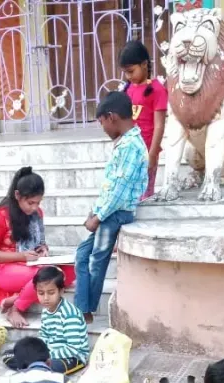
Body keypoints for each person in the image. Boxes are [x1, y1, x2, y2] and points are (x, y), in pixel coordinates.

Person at [77, 91, 147, 323]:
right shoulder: (125, 144)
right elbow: (110, 186)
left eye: (102, 123)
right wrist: (95, 211)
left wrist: (98, 217)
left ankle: (86, 310)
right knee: (82, 254)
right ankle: (83, 306)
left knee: (96, 260)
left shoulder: (131, 146)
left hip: (116, 213)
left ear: (111, 117)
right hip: (107, 211)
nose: (103, 128)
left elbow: (119, 191)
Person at [0, 167, 76, 328]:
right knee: (47, 276)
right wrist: (22, 256)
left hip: (32, 263)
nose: (34, 207)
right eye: (30, 202)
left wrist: (43, 249)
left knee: (72, 270)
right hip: (5, 269)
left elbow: (40, 242)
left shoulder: (37, 213)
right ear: (18, 195)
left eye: (38, 202)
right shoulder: (0, 216)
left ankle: (16, 297)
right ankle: (16, 308)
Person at [120, 40, 167, 201]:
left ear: (145, 64)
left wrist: (152, 154)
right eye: (125, 73)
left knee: (144, 196)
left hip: (147, 151)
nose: (128, 76)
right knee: (128, 194)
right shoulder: (128, 89)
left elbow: (159, 125)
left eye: (131, 71)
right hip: (129, 151)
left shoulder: (157, 90)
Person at [34, 266, 89, 374]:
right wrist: (37, 350)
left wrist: (48, 356)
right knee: (13, 355)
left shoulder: (70, 315)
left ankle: (37, 367)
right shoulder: (46, 311)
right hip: (51, 352)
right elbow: (44, 335)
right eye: (41, 293)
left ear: (61, 291)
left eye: (51, 293)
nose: (46, 298)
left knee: (48, 367)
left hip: (74, 357)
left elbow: (73, 348)